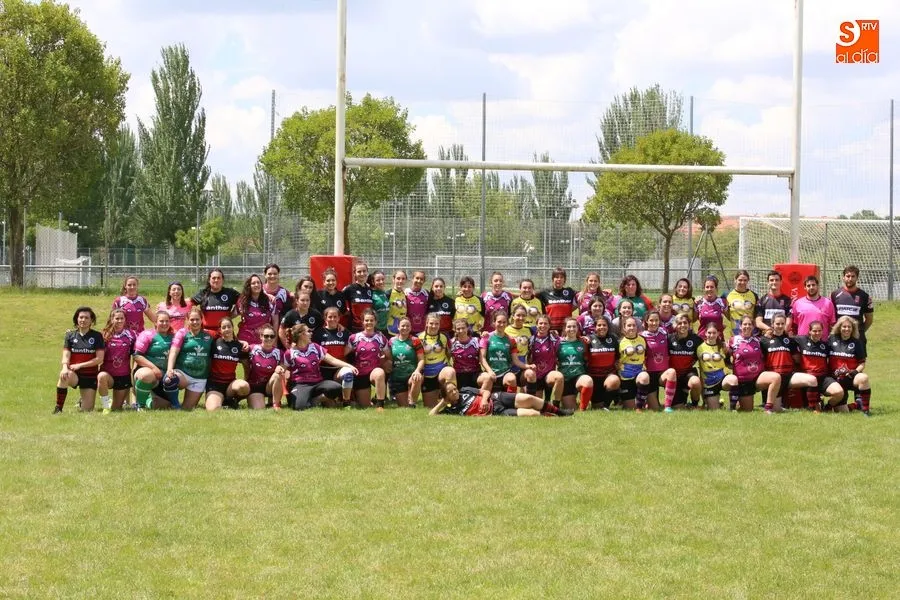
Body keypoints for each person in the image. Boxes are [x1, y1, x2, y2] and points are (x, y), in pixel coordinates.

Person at [283, 324, 357, 411]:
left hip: (317, 382)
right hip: (301, 384)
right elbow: (283, 367)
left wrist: (349, 366)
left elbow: (332, 360)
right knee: (299, 407)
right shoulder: (290, 352)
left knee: (336, 388)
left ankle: (316, 400)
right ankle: (306, 399)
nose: (311, 333)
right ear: (301, 335)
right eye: (308, 331)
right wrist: (279, 369)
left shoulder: (315, 347)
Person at [721, 316, 782, 412]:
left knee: (776, 377)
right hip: (743, 381)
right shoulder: (733, 340)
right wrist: (729, 364)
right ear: (740, 326)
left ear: (753, 327)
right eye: (745, 324)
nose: (747, 326)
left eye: (750, 324)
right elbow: (726, 355)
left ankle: (768, 409)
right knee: (747, 410)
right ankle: (737, 401)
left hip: (758, 378)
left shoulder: (758, 340)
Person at [760, 313, 816, 410]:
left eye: (782, 323)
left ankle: (813, 407)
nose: (780, 326)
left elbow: (797, 358)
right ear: (772, 324)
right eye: (777, 324)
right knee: (776, 410)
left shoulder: (790, 340)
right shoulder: (764, 340)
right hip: (774, 378)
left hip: (789, 376)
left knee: (812, 380)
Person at [54, 306, 105, 413]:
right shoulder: (70, 335)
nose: (83, 320)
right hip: (74, 374)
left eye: (86, 318)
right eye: (81, 317)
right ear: (76, 319)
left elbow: (99, 359)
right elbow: (66, 355)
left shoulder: (97, 336)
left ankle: (83, 400)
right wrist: (64, 367)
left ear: (91, 320)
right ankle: (58, 408)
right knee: (64, 375)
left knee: (87, 410)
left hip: (90, 376)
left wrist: (80, 365)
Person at [429, 380, 572, 417]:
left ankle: (559, 412)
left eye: (454, 388)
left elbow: (485, 391)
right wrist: (443, 403)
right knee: (531, 414)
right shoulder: (451, 410)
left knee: (529, 398)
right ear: (446, 396)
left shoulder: (465, 390)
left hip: (497, 398)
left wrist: (484, 400)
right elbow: (432, 415)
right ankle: (551, 416)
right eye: (451, 392)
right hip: (496, 412)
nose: (455, 392)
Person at [166, 306, 215, 411]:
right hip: (183, 374)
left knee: (187, 409)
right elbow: (173, 351)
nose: (195, 322)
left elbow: (227, 336)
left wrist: (242, 343)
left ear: (202, 320)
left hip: (200, 377)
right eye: (192, 319)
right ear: (187, 320)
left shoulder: (210, 335)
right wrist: (169, 369)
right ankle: (175, 405)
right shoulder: (182, 333)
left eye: (197, 319)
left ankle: (180, 407)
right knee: (170, 380)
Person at [827, 316, 872, 415]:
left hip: (850, 377)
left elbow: (862, 363)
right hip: (835, 379)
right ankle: (854, 405)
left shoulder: (857, 342)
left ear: (853, 328)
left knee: (863, 378)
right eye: (844, 326)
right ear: (839, 327)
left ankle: (866, 410)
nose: (846, 329)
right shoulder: (831, 339)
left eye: (849, 327)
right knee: (843, 412)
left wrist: (854, 372)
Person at [132, 311, 177, 410]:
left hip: (165, 376)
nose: (164, 323)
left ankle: (148, 399)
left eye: (167, 321)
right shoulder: (147, 334)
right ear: (155, 322)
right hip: (147, 371)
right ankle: (140, 405)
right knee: (146, 375)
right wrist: (154, 368)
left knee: (164, 405)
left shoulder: (174, 336)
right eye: (161, 321)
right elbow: (137, 356)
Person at [480, 310, 532, 393]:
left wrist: (528, 366)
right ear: (494, 322)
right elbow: (482, 358)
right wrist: (490, 371)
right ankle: (482, 399)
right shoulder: (486, 337)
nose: (502, 324)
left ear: (507, 323)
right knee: (487, 379)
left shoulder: (511, 340)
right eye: (499, 322)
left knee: (512, 378)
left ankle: (511, 400)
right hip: (489, 372)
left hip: (505, 373)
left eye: (504, 322)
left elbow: (516, 360)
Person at [311, 307, 354, 407]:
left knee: (348, 373)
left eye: (335, 317)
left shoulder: (345, 332)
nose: (332, 319)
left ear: (339, 318)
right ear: (325, 318)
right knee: (331, 406)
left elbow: (355, 342)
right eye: (330, 317)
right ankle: (320, 398)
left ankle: (346, 402)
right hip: (323, 370)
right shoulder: (318, 333)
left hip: (339, 369)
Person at [205, 317, 250, 411]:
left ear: (233, 328)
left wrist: (246, 379)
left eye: (229, 326)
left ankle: (231, 399)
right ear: (220, 330)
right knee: (213, 409)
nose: (227, 329)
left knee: (244, 386)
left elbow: (246, 366)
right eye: (224, 327)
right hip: (214, 384)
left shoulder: (239, 346)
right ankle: (224, 401)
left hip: (230, 384)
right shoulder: (214, 343)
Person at [795, 320, 841, 411]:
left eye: (819, 331)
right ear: (809, 331)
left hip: (823, 378)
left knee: (839, 392)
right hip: (807, 378)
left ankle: (827, 407)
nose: (817, 333)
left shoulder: (825, 345)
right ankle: (815, 406)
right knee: (814, 409)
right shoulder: (801, 340)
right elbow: (787, 339)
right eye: (814, 331)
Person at [346, 309, 388, 409]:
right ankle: (371, 400)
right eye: (366, 320)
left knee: (380, 373)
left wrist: (384, 361)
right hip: (360, 373)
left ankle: (380, 405)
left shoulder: (381, 338)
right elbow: (344, 354)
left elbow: (389, 356)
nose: (369, 322)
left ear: (376, 322)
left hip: (374, 371)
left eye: (371, 320)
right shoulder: (354, 338)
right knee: (365, 406)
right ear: (362, 322)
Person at [661, 314, 703, 411]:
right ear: (675, 325)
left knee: (695, 382)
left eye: (685, 323)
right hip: (673, 376)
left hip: (688, 373)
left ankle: (694, 404)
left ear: (689, 324)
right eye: (679, 323)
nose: (682, 325)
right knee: (678, 408)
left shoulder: (696, 339)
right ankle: (682, 398)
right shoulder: (669, 339)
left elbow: (705, 352)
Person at [97, 308, 135, 413]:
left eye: (122, 318)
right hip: (108, 374)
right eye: (117, 318)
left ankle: (112, 404)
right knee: (101, 376)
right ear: (111, 319)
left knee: (116, 409)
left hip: (123, 375)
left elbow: (136, 354)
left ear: (125, 319)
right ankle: (105, 406)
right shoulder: (104, 335)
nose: (119, 321)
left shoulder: (131, 335)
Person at [417, 313, 456, 409]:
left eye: (436, 324)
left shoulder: (444, 337)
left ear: (439, 324)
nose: (434, 326)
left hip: (441, 371)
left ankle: (454, 403)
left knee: (450, 371)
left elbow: (449, 354)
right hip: (427, 374)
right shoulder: (418, 337)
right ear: (426, 323)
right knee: (430, 407)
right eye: (431, 323)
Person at [830, 265, 874, 349]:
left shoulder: (865, 296)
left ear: (857, 278)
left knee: (859, 357)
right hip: (838, 336)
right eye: (848, 276)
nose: (850, 279)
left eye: (853, 276)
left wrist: (859, 331)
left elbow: (869, 319)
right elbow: (830, 317)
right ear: (843, 277)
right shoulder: (834, 294)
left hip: (857, 337)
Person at [523, 314, 563, 405]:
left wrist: (581, 338)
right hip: (535, 376)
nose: (543, 325)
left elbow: (568, 339)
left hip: (549, 375)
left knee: (559, 377)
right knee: (538, 405)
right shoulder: (531, 340)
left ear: (549, 325)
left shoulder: (555, 339)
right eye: (540, 323)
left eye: (545, 323)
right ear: (536, 325)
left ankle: (555, 406)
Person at [385, 317, 424, 408]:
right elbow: (388, 358)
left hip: (411, 375)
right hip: (397, 377)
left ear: (410, 328)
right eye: (403, 326)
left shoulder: (415, 340)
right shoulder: (391, 341)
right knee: (404, 407)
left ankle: (412, 403)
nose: (405, 328)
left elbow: (421, 359)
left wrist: (417, 371)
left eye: (407, 326)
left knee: (417, 378)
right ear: (398, 327)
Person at [246, 324, 286, 410]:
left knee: (278, 374)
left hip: (269, 386)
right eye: (266, 336)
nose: (269, 338)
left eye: (272, 336)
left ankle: (276, 404)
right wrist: (244, 342)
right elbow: (238, 346)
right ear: (261, 336)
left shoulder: (279, 352)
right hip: (255, 386)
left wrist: (280, 367)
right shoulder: (252, 349)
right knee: (259, 409)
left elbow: (283, 366)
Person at [556, 317, 593, 411]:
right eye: (569, 326)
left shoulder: (583, 342)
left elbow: (587, 358)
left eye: (574, 326)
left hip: (579, 376)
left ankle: (583, 409)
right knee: (571, 408)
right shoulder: (558, 343)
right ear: (564, 328)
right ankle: (572, 401)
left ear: (578, 328)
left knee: (588, 381)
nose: (571, 329)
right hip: (565, 379)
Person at [584, 316, 620, 410]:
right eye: (599, 325)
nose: (602, 327)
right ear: (595, 327)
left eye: (604, 325)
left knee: (614, 380)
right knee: (596, 407)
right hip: (594, 378)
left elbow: (618, 356)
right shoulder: (589, 339)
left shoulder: (613, 338)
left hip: (608, 375)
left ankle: (606, 406)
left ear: (608, 327)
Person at [191, 269, 240, 336]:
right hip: (206, 333)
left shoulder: (230, 293)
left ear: (222, 280)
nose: (216, 280)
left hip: (225, 332)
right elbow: (188, 304)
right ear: (209, 280)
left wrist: (234, 313)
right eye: (214, 278)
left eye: (219, 278)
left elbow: (244, 301)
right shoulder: (203, 293)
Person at [617, 316, 650, 411]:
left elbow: (646, 355)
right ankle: (621, 400)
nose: (632, 328)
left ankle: (640, 407)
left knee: (644, 377)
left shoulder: (643, 339)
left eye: (634, 325)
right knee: (629, 408)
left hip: (639, 371)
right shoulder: (619, 342)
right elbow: (616, 359)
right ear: (624, 328)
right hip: (625, 375)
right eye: (629, 325)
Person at [640, 311, 670, 411]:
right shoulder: (642, 336)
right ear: (646, 321)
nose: (654, 323)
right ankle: (645, 401)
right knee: (655, 409)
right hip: (650, 373)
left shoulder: (664, 332)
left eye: (656, 320)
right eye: (651, 320)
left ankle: (669, 405)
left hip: (663, 372)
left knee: (672, 374)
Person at [236, 273, 277, 346]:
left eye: (258, 282)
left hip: (263, 341)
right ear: (249, 286)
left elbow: (275, 322)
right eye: (253, 283)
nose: (256, 285)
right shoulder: (242, 301)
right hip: (246, 341)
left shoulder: (269, 300)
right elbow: (233, 314)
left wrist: (274, 340)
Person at [696, 323, 727, 410]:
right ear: (705, 333)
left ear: (718, 333)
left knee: (733, 380)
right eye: (709, 333)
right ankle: (717, 403)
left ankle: (734, 406)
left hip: (722, 378)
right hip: (709, 382)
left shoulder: (722, 347)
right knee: (714, 410)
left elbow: (730, 363)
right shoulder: (700, 348)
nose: (711, 335)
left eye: (714, 333)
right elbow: (700, 370)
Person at [539, 266, 577, 334]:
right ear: (552, 279)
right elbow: (530, 295)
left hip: (567, 329)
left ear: (564, 280)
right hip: (551, 330)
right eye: (556, 277)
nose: (559, 279)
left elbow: (582, 296)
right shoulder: (545, 292)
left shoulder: (570, 291)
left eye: (561, 277)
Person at [505, 305, 534, 391]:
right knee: (509, 390)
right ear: (513, 316)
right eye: (518, 315)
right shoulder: (505, 330)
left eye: (523, 315)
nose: (521, 318)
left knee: (524, 388)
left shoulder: (530, 330)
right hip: (508, 363)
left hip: (523, 362)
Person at [755, 270, 793, 336]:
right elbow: (758, 322)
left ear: (781, 282)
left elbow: (788, 323)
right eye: (771, 280)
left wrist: (779, 333)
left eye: (776, 280)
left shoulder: (787, 300)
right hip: (767, 336)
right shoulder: (762, 300)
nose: (774, 282)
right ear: (768, 283)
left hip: (782, 337)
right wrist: (771, 330)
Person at [449, 318, 482, 390]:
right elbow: (448, 358)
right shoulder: (451, 343)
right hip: (459, 374)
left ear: (467, 328)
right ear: (454, 330)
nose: (461, 331)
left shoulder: (476, 341)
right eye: (458, 329)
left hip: (475, 373)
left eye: (463, 328)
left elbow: (483, 358)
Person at [343, 260, 374, 333]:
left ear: (367, 272)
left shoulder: (370, 290)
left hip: (368, 327)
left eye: (364, 271)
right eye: (359, 272)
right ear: (354, 273)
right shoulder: (349, 289)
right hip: (354, 328)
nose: (362, 274)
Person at [725, 270, 759, 335]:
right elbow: (725, 313)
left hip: (750, 331)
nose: (742, 282)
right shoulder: (727, 295)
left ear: (748, 281)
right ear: (735, 280)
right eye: (740, 280)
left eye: (745, 280)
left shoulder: (754, 295)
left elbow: (756, 314)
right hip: (735, 332)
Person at [368, 270, 391, 335]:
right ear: (373, 282)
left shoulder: (384, 293)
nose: (381, 282)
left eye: (383, 279)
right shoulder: (370, 293)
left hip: (385, 329)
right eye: (378, 280)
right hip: (375, 330)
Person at [386, 270, 408, 336]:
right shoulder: (388, 293)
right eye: (398, 278)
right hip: (390, 330)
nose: (400, 281)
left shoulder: (405, 294)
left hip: (402, 330)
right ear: (393, 279)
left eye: (403, 279)